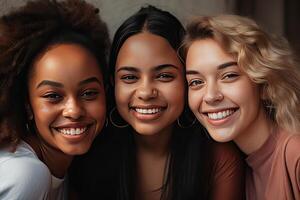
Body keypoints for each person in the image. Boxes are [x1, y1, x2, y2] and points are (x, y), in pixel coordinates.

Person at [71, 6, 245, 200]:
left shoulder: (217, 157)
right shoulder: (87, 152)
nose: (146, 92)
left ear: (187, 80)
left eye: (164, 76)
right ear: (113, 83)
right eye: (129, 77)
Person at [0, 0, 110, 199]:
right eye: (53, 96)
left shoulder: (67, 169)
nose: (74, 110)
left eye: (89, 93)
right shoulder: (26, 175)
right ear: (27, 105)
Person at [183, 14, 300, 200]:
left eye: (229, 76)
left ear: (264, 83)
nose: (211, 96)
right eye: (196, 82)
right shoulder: (233, 168)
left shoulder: (295, 154)